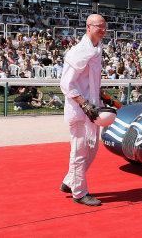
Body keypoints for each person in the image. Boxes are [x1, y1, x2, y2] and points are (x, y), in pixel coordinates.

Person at [59, 14, 107, 207]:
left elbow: (89, 81)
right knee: (79, 152)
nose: (103, 30)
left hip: (93, 109)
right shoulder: (79, 51)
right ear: (88, 27)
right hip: (80, 110)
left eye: (105, 26)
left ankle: (70, 182)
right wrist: (83, 103)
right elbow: (65, 83)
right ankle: (79, 193)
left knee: (92, 149)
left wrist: (99, 94)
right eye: (99, 26)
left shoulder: (97, 50)